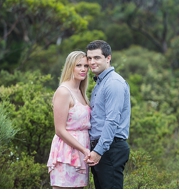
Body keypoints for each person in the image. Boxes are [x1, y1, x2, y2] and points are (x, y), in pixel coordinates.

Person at [85, 40, 132, 189]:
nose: (92, 62)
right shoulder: (101, 82)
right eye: (89, 58)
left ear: (108, 58)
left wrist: (98, 151)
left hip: (110, 149)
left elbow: (112, 121)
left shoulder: (113, 83)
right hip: (103, 148)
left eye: (97, 57)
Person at [47, 51, 94, 189]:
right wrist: (84, 150)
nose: (83, 69)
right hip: (66, 153)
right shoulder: (63, 92)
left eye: (86, 66)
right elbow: (60, 130)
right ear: (70, 67)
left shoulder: (80, 91)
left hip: (81, 154)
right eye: (78, 65)